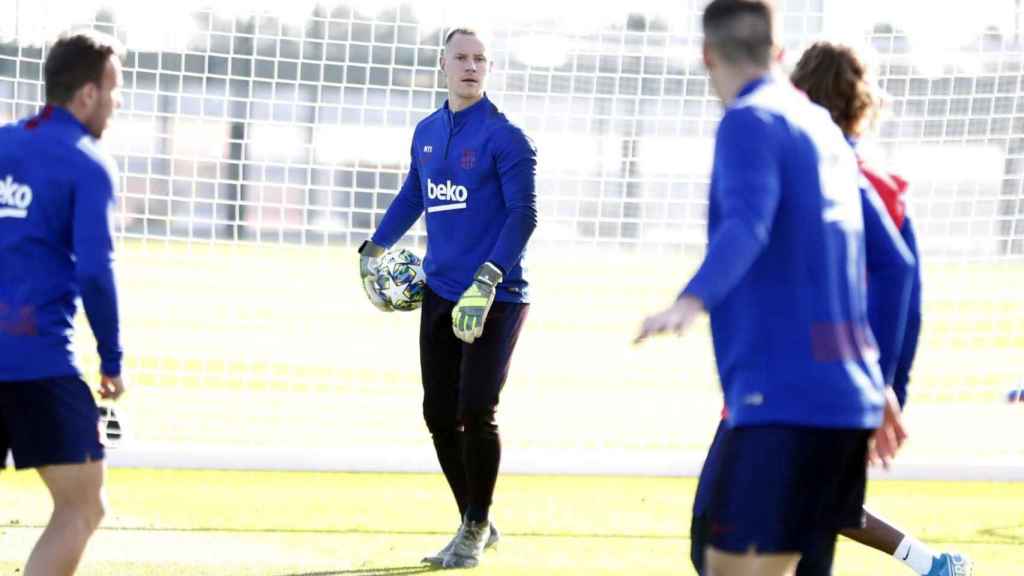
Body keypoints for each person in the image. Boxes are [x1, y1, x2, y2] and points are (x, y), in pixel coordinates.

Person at [634, 2, 912, 575]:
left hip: (778, 403)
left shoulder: (749, 120)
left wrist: (691, 299)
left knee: (723, 566)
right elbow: (897, 265)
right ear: (778, 53)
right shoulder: (823, 129)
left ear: (707, 55)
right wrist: (878, 378)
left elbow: (747, 224)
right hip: (845, 402)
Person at [357, 27, 537, 569]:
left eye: (481, 58)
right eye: (461, 57)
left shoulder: (507, 138)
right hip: (439, 293)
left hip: (494, 296)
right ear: (443, 64)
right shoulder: (428, 131)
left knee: (476, 410)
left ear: (489, 69)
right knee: (438, 413)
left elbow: (523, 215)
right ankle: (475, 519)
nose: (471, 66)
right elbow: (416, 191)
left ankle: (474, 528)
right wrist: (375, 246)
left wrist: (486, 280)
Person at [791, 40, 972, 576]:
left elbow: (894, 278)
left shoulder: (819, 178)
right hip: (848, 379)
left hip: (795, 379)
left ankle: (934, 563)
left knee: (746, 516)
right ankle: (933, 564)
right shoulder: (884, 187)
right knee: (817, 505)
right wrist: (890, 385)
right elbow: (909, 306)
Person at [0, 31, 126, 576]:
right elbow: (97, 274)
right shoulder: (86, 163)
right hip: (37, 362)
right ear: (89, 94)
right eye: (115, 91)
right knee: (82, 506)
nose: (117, 105)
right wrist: (113, 359)